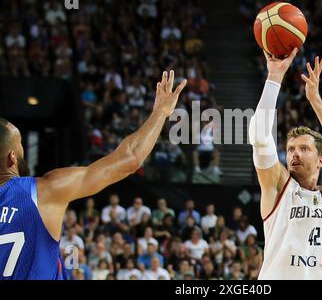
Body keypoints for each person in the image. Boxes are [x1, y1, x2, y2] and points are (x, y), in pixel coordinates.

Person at [0, 71, 186, 279]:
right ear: (12, 158)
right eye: (21, 146)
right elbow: (130, 159)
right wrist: (160, 112)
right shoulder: (45, 191)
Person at [249, 49, 322, 279]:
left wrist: (315, 100)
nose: (294, 154)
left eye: (304, 149)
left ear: (320, 160)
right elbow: (258, 135)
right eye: (290, 149)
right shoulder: (278, 185)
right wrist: (275, 77)